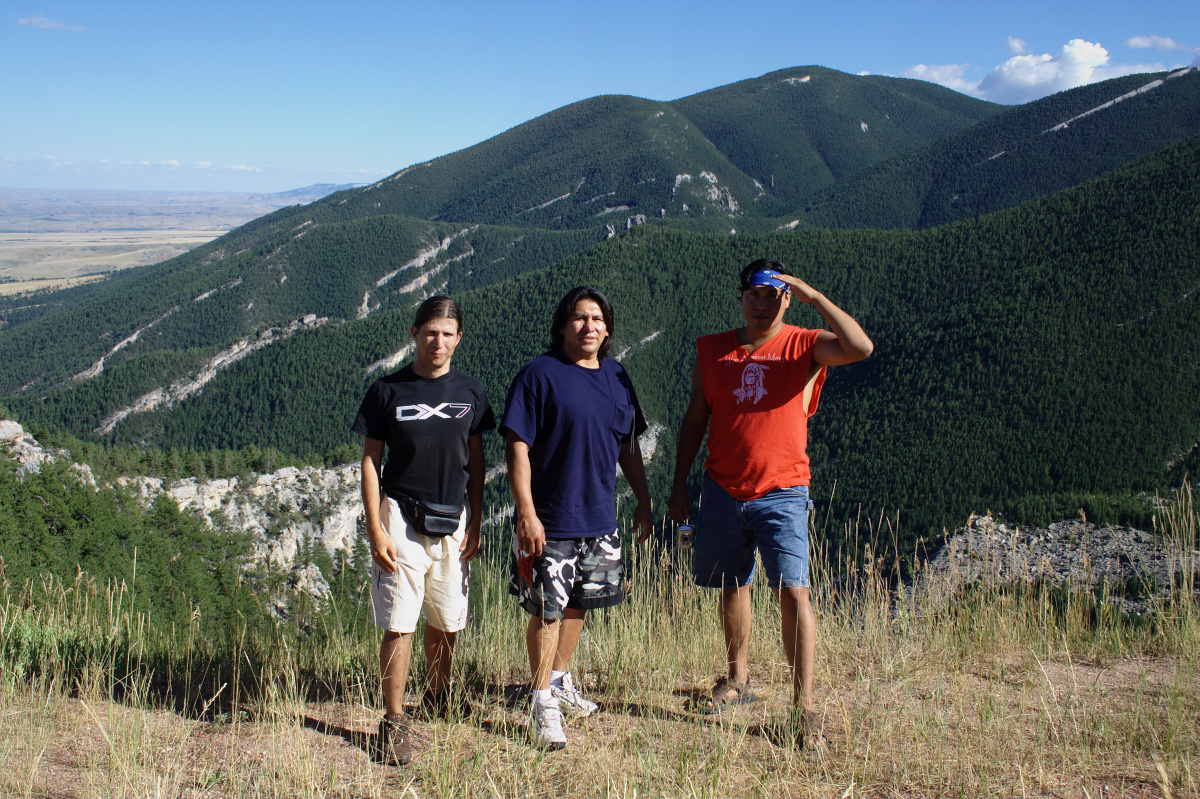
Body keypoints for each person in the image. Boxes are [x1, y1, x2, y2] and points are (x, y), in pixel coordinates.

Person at [667, 259, 873, 747]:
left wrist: (814, 296)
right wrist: (679, 483)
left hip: (783, 489)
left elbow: (860, 348)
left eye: (773, 296)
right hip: (721, 487)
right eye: (754, 295)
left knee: (793, 591)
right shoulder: (712, 349)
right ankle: (737, 680)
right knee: (732, 584)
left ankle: (803, 709)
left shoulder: (805, 343)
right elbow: (696, 418)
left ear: (786, 299)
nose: (762, 304)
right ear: (742, 297)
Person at [502, 286, 653, 750]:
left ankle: (560, 679)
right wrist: (525, 512)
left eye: (597, 319)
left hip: (598, 517)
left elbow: (628, 445)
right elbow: (517, 447)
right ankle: (541, 698)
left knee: (578, 602)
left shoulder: (617, 376)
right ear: (563, 325)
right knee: (546, 610)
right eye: (579, 318)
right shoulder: (539, 374)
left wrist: (644, 500)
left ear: (607, 328)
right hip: (550, 517)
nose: (589, 327)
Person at [352, 295, 495, 766]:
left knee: (448, 618)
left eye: (447, 333)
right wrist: (376, 527)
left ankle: (438, 695)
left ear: (459, 339)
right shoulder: (387, 391)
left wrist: (475, 517)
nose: (438, 341)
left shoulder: (471, 392)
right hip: (401, 514)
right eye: (429, 332)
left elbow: (476, 460)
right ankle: (393, 721)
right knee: (399, 620)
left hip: (453, 518)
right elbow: (371, 461)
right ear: (414, 334)